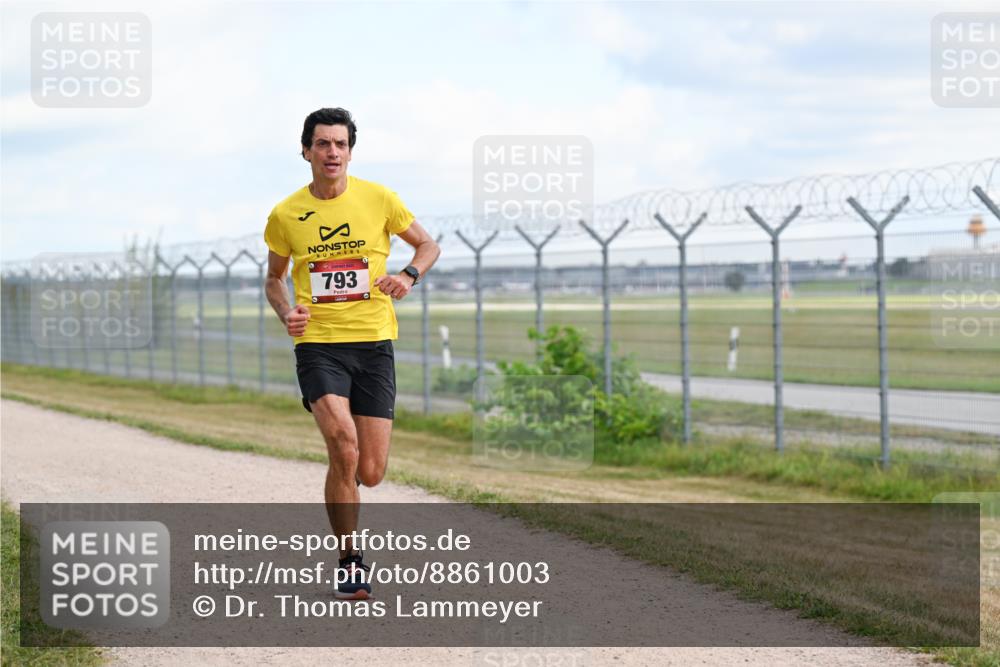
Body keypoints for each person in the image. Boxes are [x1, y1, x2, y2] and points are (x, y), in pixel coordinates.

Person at [263, 107, 440, 599]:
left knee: (370, 471)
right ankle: (349, 561)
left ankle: (347, 484)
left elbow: (427, 246)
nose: (332, 152)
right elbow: (274, 279)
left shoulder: (379, 199)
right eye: (322, 143)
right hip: (319, 345)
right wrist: (287, 313)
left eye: (340, 144)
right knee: (343, 443)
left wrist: (408, 275)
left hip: (374, 344)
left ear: (350, 152)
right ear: (306, 151)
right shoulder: (286, 214)